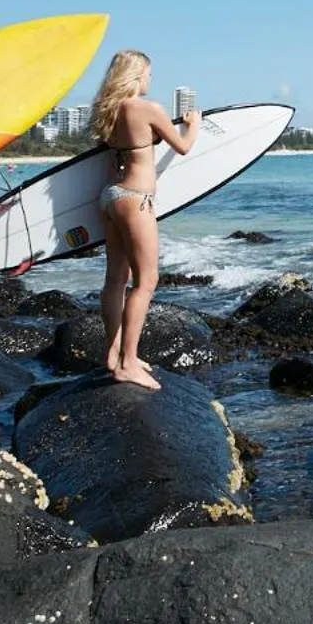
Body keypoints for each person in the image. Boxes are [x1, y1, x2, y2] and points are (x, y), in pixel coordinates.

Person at [88, 49, 199, 390]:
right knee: (146, 281)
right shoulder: (148, 109)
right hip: (136, 200)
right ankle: (128, 364)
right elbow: (182, 146)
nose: (151, 79)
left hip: (110, 196)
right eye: (149, 74)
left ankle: (113, 355)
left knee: (115, 279)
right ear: (137, 76)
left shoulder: (108, 111)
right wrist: (193, 125)